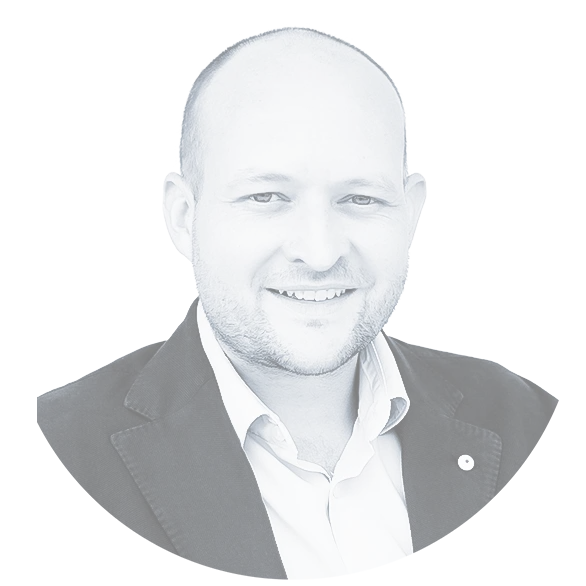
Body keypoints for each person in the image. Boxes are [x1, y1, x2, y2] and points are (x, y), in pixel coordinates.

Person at [35, 26, 582, 583]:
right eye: (266, 197)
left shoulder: (533, 427)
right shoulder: (42, 467)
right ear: (183, 216)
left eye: (360, 198)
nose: (319, 253)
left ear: (411, 213)